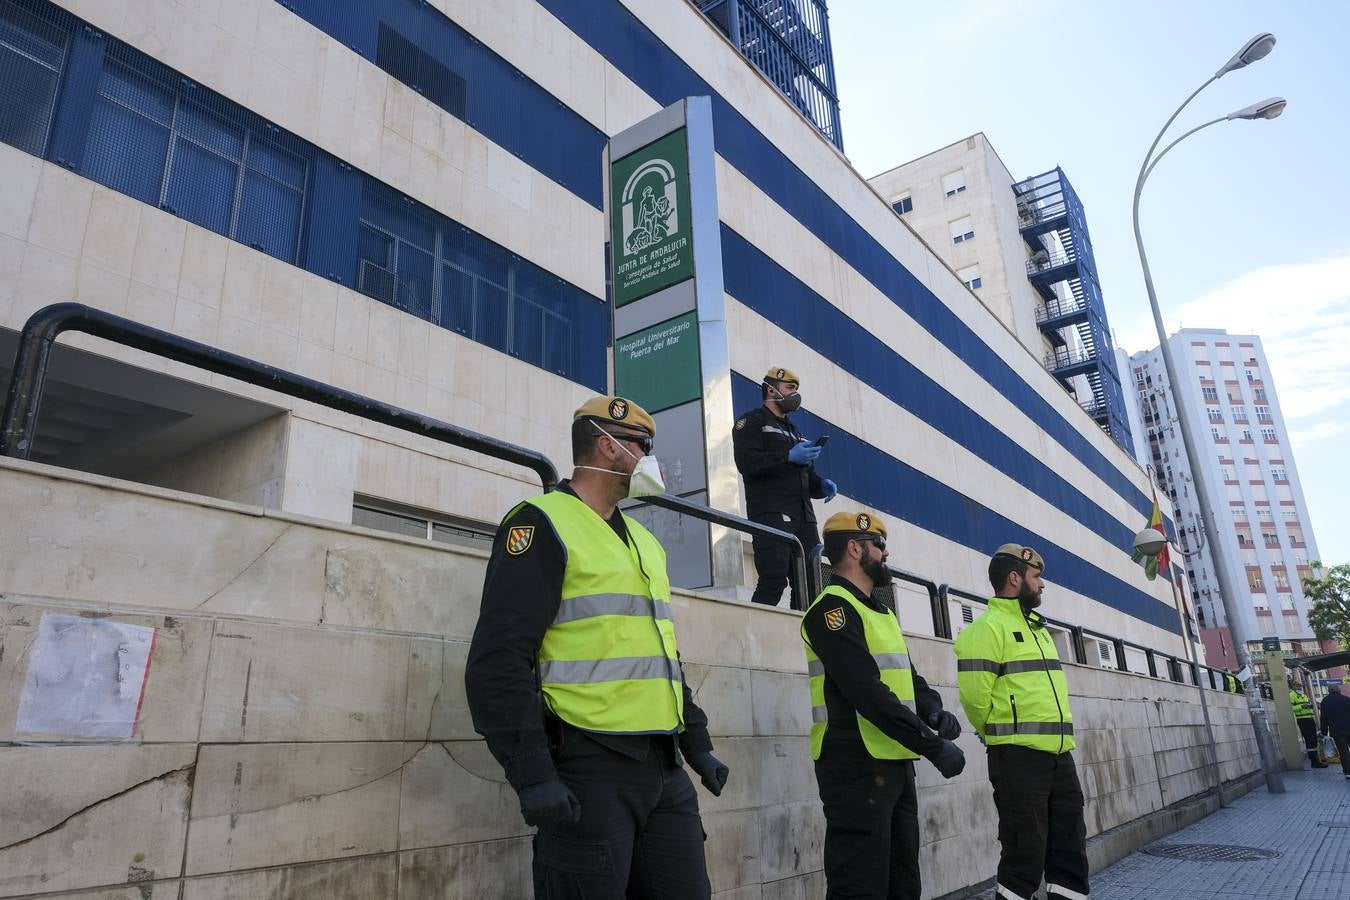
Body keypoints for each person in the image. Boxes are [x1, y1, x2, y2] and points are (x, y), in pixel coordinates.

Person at [465, 395, 729, 899]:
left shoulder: (645, 544)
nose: (651, 461)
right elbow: (498, 660)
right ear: (609, 447)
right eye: (643, 447)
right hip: (590, 766)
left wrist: (698, 744)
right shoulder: (541, 523)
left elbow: (662, 657)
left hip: (665, 769)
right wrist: (532, 772)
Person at [801, 511, 966, 899]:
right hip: (854, 766)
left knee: (903, 883)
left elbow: (909, 679)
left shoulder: (881, 611)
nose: (886, 552)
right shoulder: (831, 611)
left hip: (892, 761)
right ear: (856, 549)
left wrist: (933, 710)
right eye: (878, 545)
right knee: (859, 886)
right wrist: (931, 745)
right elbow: (868, 694)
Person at [953, 544, 1088, 900]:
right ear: (1015, 578)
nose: (1042, 585)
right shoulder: (988, 628)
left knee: (1070, 852)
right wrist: (995, 734)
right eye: (1036, 576)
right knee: (1024, 855)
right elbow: (973, 697)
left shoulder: (1040, 631)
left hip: (1060, 758)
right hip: (1017, 759)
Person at [733, 366, 837, 608]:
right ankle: (756, 638)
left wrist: (822, 485)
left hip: (804, 519)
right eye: (790, 388)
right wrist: (787, 456)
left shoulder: (796, 432)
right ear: (771, 389)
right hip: (771, 515)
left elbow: (806, 476)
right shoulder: (751, 422)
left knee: (810, 586)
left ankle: (798, 637)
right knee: (773, 580)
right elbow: (746, 463)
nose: (795, 394)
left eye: (796, 389)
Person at [1290, 679, 1328, 769]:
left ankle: (1316, 760)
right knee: (1309, 739)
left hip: (1310, 719)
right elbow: (1290, 707)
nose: (1300, 687)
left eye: (1300, 685)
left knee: (1314, 739)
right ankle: (1314, 762)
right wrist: (1302, 707)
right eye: (1298, 685)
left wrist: (1309, 706)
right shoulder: (1292, 695)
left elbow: (1307, 705)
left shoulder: (1303, 695)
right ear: (1293, 686)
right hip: (1302, 720)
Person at [1320, 682, 1350, 781]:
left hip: (1337, 731)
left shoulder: (1325, 701)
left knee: (1343, 752)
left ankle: (1347, 772)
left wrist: (1324, 732)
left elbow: (1323, 718)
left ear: (1328, 691)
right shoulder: (1346, 699)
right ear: (1339, 690)